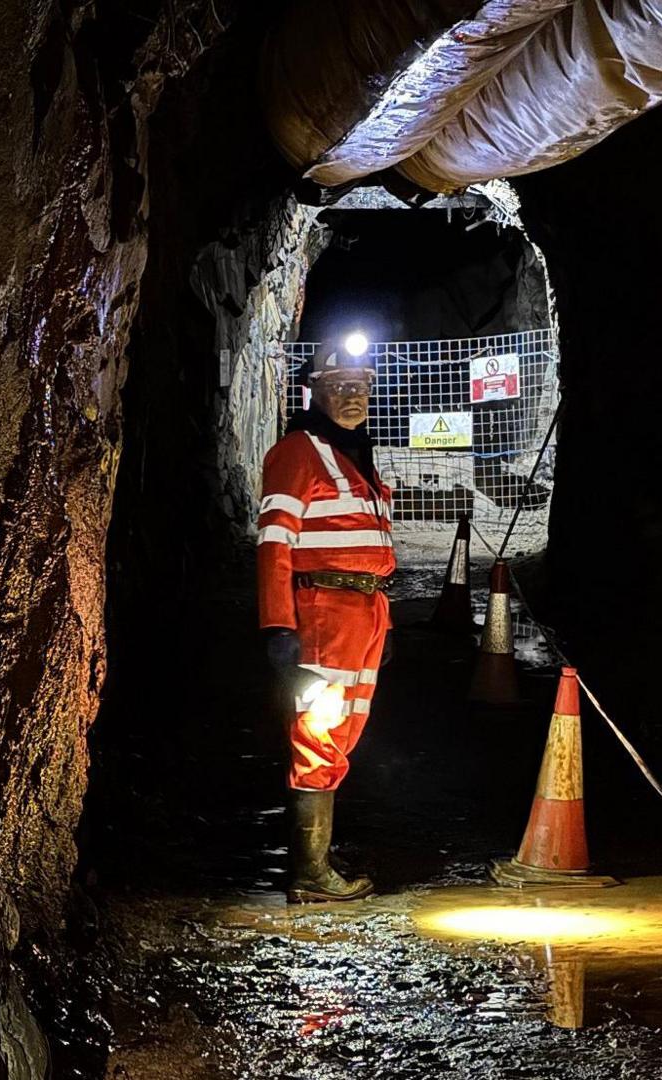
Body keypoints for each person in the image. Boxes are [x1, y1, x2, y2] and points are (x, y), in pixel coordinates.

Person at [257, 336, 394, 903]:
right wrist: (278, 628)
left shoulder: (356, 458)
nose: (352, 397)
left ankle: (318, 858)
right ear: (315, 392)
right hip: (322, 611)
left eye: (360, 387)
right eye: (339, 388)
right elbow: (273, 543)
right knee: (318, 730)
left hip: (364, 612)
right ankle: (310, 874)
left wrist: (388, 623)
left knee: (344, 732)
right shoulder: (298, 451)